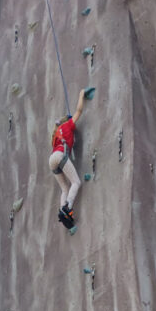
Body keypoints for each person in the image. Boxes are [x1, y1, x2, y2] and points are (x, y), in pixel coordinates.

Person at [49, 89, 86, 230]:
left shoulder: (56, 134)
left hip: (52, 160)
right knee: (76, 182)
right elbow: (79, 111)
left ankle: (62, 212)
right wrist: (81, 94)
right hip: (60, 156)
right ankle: (67, 207)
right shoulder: (68, 125)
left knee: (65, 188)